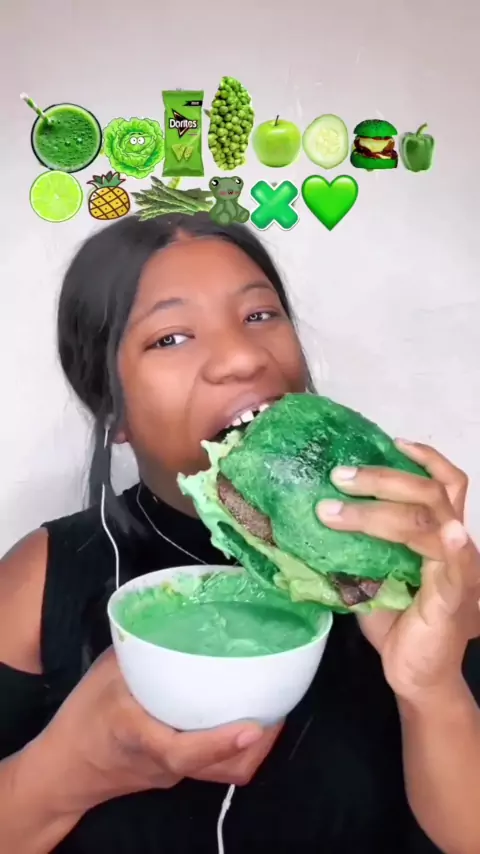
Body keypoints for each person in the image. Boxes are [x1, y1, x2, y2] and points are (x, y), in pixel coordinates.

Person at [0, 213, 479, 854]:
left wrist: (433, 690)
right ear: (111, 410)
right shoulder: (39, 577)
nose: (244, 357)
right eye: (170, 337)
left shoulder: (405, 564)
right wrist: (70, 771)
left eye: (259, 315)